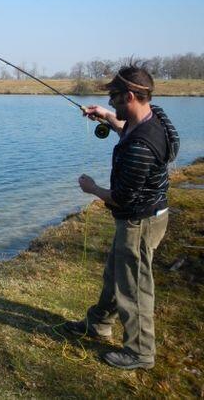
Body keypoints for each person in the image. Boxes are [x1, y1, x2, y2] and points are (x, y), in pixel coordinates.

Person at [63, 64, 180, 370]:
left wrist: (92, 189)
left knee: (135, 287)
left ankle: (140, 352)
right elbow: (129, 127)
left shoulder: (140, 148)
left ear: (130, 95)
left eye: (114, 97)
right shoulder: (156, 119)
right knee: (116, 274)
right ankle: (99, 322)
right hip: (150, 214)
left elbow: (121, 197)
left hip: (139, 222)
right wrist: (107, 116)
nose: (112, 102)